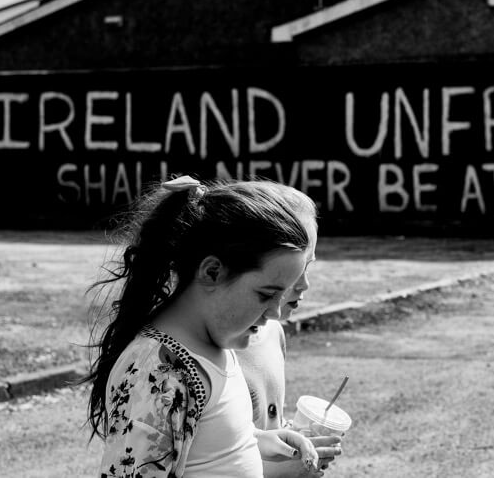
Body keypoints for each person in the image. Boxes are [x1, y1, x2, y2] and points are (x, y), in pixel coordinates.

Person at [86, 176, 321, 477]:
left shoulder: (215, 344)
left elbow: (204, 446)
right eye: (266, 294)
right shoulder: (159, 372)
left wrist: (257, 442)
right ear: (212, 272)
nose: (275, 312)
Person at [241, 191, 343, 478]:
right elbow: (215, 456)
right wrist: (286, 469)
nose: (304, 285)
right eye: (295, 270)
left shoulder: (274, 331)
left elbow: (268, 428)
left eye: (308, 266)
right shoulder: (221, 347)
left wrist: (298, 439)